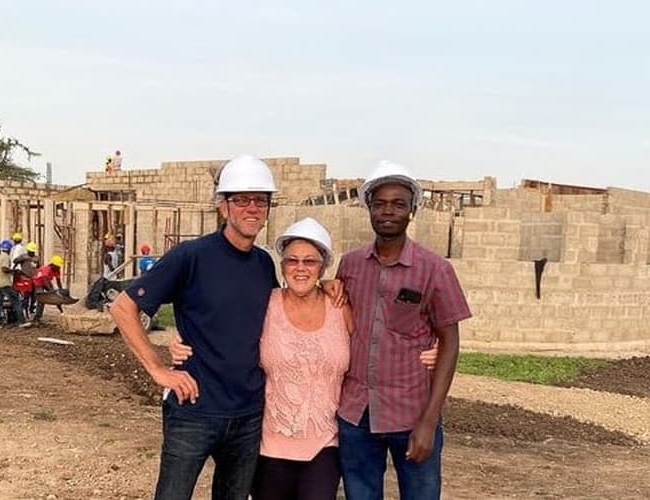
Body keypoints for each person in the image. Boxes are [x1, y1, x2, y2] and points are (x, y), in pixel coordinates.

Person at [109, 155, 343, 500]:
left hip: (249, 416)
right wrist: (158, 368)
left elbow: (289, 298)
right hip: (194, 410)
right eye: (241, 199)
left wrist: (329, 285)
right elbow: (123, 307)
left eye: (260, 200)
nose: (252, 208)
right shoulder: (191, 256)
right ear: (223, 206)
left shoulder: (264, 264)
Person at [170, 219, 440, 499]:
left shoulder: (341, 307)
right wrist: (182, 341)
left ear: (323, 267)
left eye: (310, 261)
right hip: (269, 444)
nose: (300, 268)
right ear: (282, 266)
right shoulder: (266, 303)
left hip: (325, 444)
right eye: (292, 261)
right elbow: (223, 329)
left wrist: (433, 348)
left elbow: (377, 339)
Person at [336, 161, 471, 500]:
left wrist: (428, 421)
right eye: (379, 203)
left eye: (398, 204)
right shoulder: (350, 265)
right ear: (368, 208)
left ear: (412, 210)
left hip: (411, 413)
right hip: (356, 415)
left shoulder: (435, 270)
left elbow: (450, 343)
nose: (388, 212)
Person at [21, 255, 64, 327]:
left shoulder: (57, 269)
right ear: (53, 265)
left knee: (56, 295)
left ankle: (62, 311)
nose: (59, 267)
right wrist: (51, 291)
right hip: (38, 282)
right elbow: (45, 281)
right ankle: (37, 318)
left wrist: (61, 290)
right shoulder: (46, 269)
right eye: (58, 265)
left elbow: (58, 280)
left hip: (46, 281)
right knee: (41, 299)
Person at [0, 239, 24, 329]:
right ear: (9, 249)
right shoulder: (6, 257)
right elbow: (4, 269)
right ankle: (21, 322)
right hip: (5, 285)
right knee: (16, 302)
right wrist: (14, 271)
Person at [13, 242, 40, 318]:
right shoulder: (23, 257)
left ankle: (32, 308)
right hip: (25, 278)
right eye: (30, 251)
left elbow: (38, 267)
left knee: (34, 295)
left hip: (34, 279)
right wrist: (21, 259)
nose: (31, 253)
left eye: (33, 251)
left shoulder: (36, 258)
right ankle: (24, 311)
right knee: (26, 296)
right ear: (28, 251)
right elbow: (15, 261)